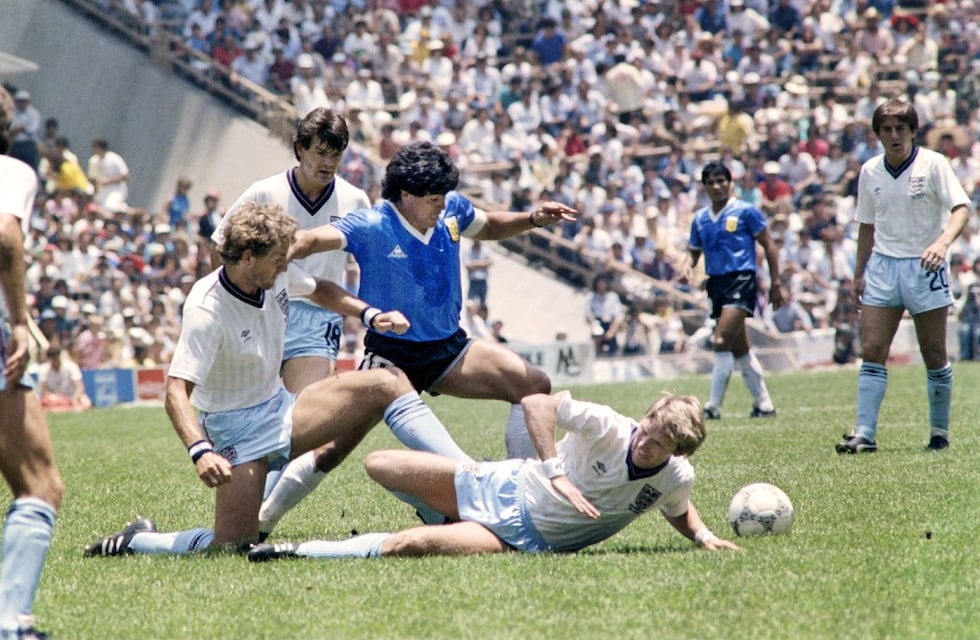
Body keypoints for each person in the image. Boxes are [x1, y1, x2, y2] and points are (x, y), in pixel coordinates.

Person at [83, 202, 460, 557]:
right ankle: (139, 540)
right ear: (247, 258)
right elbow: (176, 392)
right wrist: (201, 451)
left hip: (282, 408)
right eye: (278, 260)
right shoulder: (206, 309)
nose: (284, 268)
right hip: (237, 432)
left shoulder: (271, 273)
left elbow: (321, 289)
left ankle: (467, 478)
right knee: (232, 546)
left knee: (386, 381)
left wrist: (369, 315)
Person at [258, 141, 578, 537]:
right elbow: (312, 240)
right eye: (432, 200)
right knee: (332, 449)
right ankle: (262, 522)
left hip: (448, 349)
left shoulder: (451, 209)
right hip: (390, 359)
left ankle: (520, 494)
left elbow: (489, 226)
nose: (441, 207)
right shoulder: (372, 224)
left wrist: (531, 218)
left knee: (533, 385)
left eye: (443, 198)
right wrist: (279, 254)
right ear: (405, 196)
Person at [247, 389, 740, 561]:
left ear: (677, 452)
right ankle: (446, 514)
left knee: (408, 546)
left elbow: (676, 504)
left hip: (521, 539)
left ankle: (294, 551)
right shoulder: (611, 426)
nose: (644, 439)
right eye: (648, 425)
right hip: (502, 483)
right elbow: (537, 402)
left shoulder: (676, 476)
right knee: (379, 463)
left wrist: (702, 535)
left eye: (658, 443)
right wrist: (555, 471)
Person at [836, 100, 972, 454]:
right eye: (887, 129)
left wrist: (942, 243)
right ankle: (865, 434)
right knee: (873, 349)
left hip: (924, 267)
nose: (894, 135)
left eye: (901, 128)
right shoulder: (869, 171)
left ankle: (939, 432)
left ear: (913, 131)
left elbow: (961, 208)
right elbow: (866, 224)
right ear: (878, 134)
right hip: (883, 267)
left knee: (933, 354)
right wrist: (858, 274)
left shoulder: (933, 164)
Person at [213, 108, 370, 394]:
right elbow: (221, 247)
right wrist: (234, 302)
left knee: (308, 408)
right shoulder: (263, 193)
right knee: (248, 413)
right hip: (262, 311)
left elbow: (372, 263)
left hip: (319, 316)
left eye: (336, 155)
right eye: (321, 152)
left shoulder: (355, 200)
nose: (328, 163)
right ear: (300, 148)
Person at [0, 85, 64, 640]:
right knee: (39, 486)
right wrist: (20, 319)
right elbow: (4, 234)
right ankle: (8, 624)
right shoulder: (11, 170)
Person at [683, 161, 784, 420]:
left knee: (720, 340)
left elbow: (769, 245)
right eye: (711, 182)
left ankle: (713, 407)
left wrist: (776, 283)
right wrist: (688, 264)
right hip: (716, 283)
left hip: (741, 280)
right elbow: (694, 250)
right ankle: (764, 405)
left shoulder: (746, 211)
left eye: (721, 181)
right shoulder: (700, 219)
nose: (717, 186)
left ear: (730, 183)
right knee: (740, 349)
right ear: (704, 186)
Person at [35, 346, 93, 412]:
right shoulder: (44, 368)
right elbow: (42, 388)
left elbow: (80, 386)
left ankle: (63, 408)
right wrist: (51, 396)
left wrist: (74, 398)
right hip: (53, 397)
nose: (54, 361)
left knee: (87, 403)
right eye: (52, 359)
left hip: (71, 395)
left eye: (56, 358)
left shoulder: (71, 366)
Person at [87, 138, 130, 212]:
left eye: (95, 147)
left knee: (110, 207)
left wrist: (109, 181)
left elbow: (126, 175)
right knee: (97, 208)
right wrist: (94, 192)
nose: (93, 149)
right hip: (101, 191)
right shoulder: (93, 161)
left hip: (116, 189)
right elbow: (93, 178)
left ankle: (130, 211)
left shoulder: (113, 158)